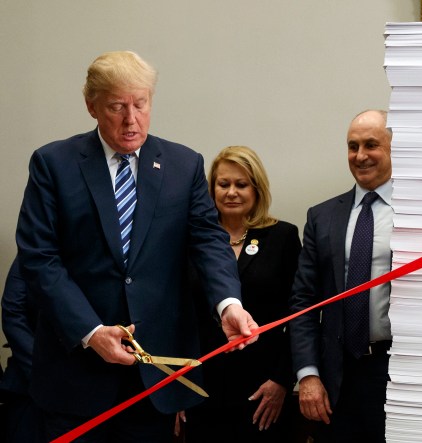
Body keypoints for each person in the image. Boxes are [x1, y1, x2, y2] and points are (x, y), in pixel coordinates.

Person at [14, 50, 258, 443]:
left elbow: (208, 240)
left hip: (153, 381)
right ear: (91, 105)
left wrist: (228, 303)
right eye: (116, 106)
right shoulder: (53, 164)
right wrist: (91, 331)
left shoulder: (183, 164)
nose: (131, 119)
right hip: (74, 378)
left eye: (140, 104)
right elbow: (40, 258)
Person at [183, 146, 301, 442]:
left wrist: (282, 380)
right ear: (211, 190)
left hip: (263, 390)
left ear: (257, 189)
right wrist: (176, 387)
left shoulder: (283, 237)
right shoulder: (193, 241)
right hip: (201, 388)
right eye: (223, 185)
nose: (231, 192)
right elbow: (179, 316)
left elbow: (300, 316)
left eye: (241, 184)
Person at [289, 109, 394, 442]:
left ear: (394, 147)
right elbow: (303, 302)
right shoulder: (322, 217)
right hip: (336, 378)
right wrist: (307, 375)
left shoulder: (421, 212)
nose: (360, 156)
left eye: (371, 145)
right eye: (352, 146)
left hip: (398, 373)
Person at [0, 257, 40, 443]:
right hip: (28, 385)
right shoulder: (35, 249)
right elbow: (13, 312)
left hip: (95, 390)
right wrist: (43, 374)